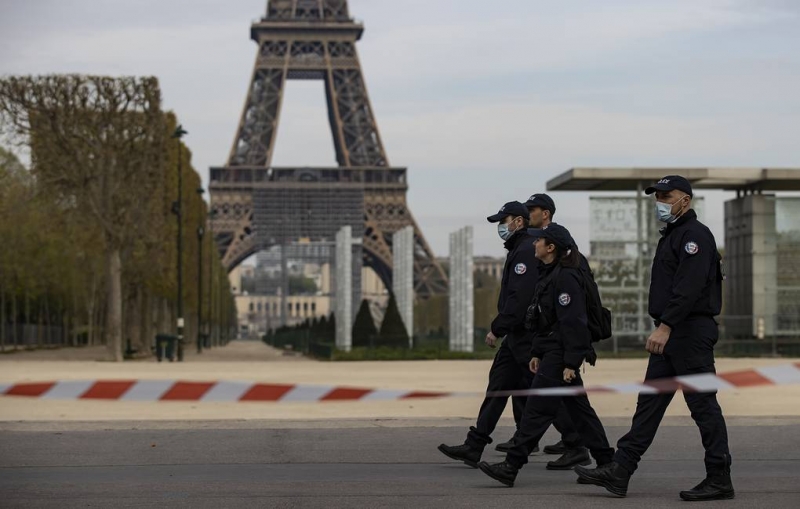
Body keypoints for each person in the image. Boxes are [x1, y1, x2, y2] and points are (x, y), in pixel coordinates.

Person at [575, 175, 734, 501]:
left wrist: (666, 326)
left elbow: (688, 287)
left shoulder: (694, 236)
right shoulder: (673, 235)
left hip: (688, 332)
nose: (659, 202)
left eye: (666, 196)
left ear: (685, 200)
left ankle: (719, 477)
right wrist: (665, 326)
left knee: (703, 406)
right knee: (648, 405)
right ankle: (620, 470)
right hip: (673, 333)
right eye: (657, 197)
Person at [478, 223, 614, 487]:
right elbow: (543, 320)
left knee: (536, 410)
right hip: (554, 351)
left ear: (550, 248)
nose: (534, 243)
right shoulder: (550, 274)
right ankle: (607, 462)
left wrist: (570, 362)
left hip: (561, 354)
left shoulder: (565, 278)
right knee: (580, 411)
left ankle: (511, 465)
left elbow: (573, 323)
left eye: (539, 240)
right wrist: (538, 351)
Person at [437, 201, 541, 468]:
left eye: (503, 221)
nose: (500, 227)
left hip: (524, 336)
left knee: (548, 398)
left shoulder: (525, 250)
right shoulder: (518, 248)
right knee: (498, 386)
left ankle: (583, 445)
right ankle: (474, 445)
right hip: (515, 337)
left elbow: (520, 298)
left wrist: (498, 327)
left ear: (518, 221)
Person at [523, 193, 588, 469]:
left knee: (539, 403)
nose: (528, 214)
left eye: (532, 210)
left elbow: (571, 317)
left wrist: (572, 358)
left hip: (559, 344)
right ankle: (589, 449)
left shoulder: (563, 266)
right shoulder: (551, 264)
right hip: (552, 343)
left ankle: (513, 460)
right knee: (575, 405)